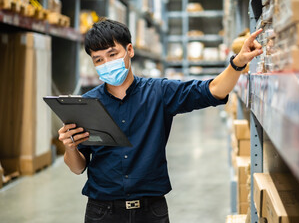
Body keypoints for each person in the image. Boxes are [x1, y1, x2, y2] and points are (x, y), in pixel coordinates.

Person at [58, 19, 263, 223]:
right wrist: (70, 148)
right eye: (99, 60)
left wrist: (238, 63)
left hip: (150, 211)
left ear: (129, 50)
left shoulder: (159, 92)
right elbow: (77, 167)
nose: (107, 64)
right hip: (102, 212)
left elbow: (212, 90)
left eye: (113, 54)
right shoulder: (87, 104)